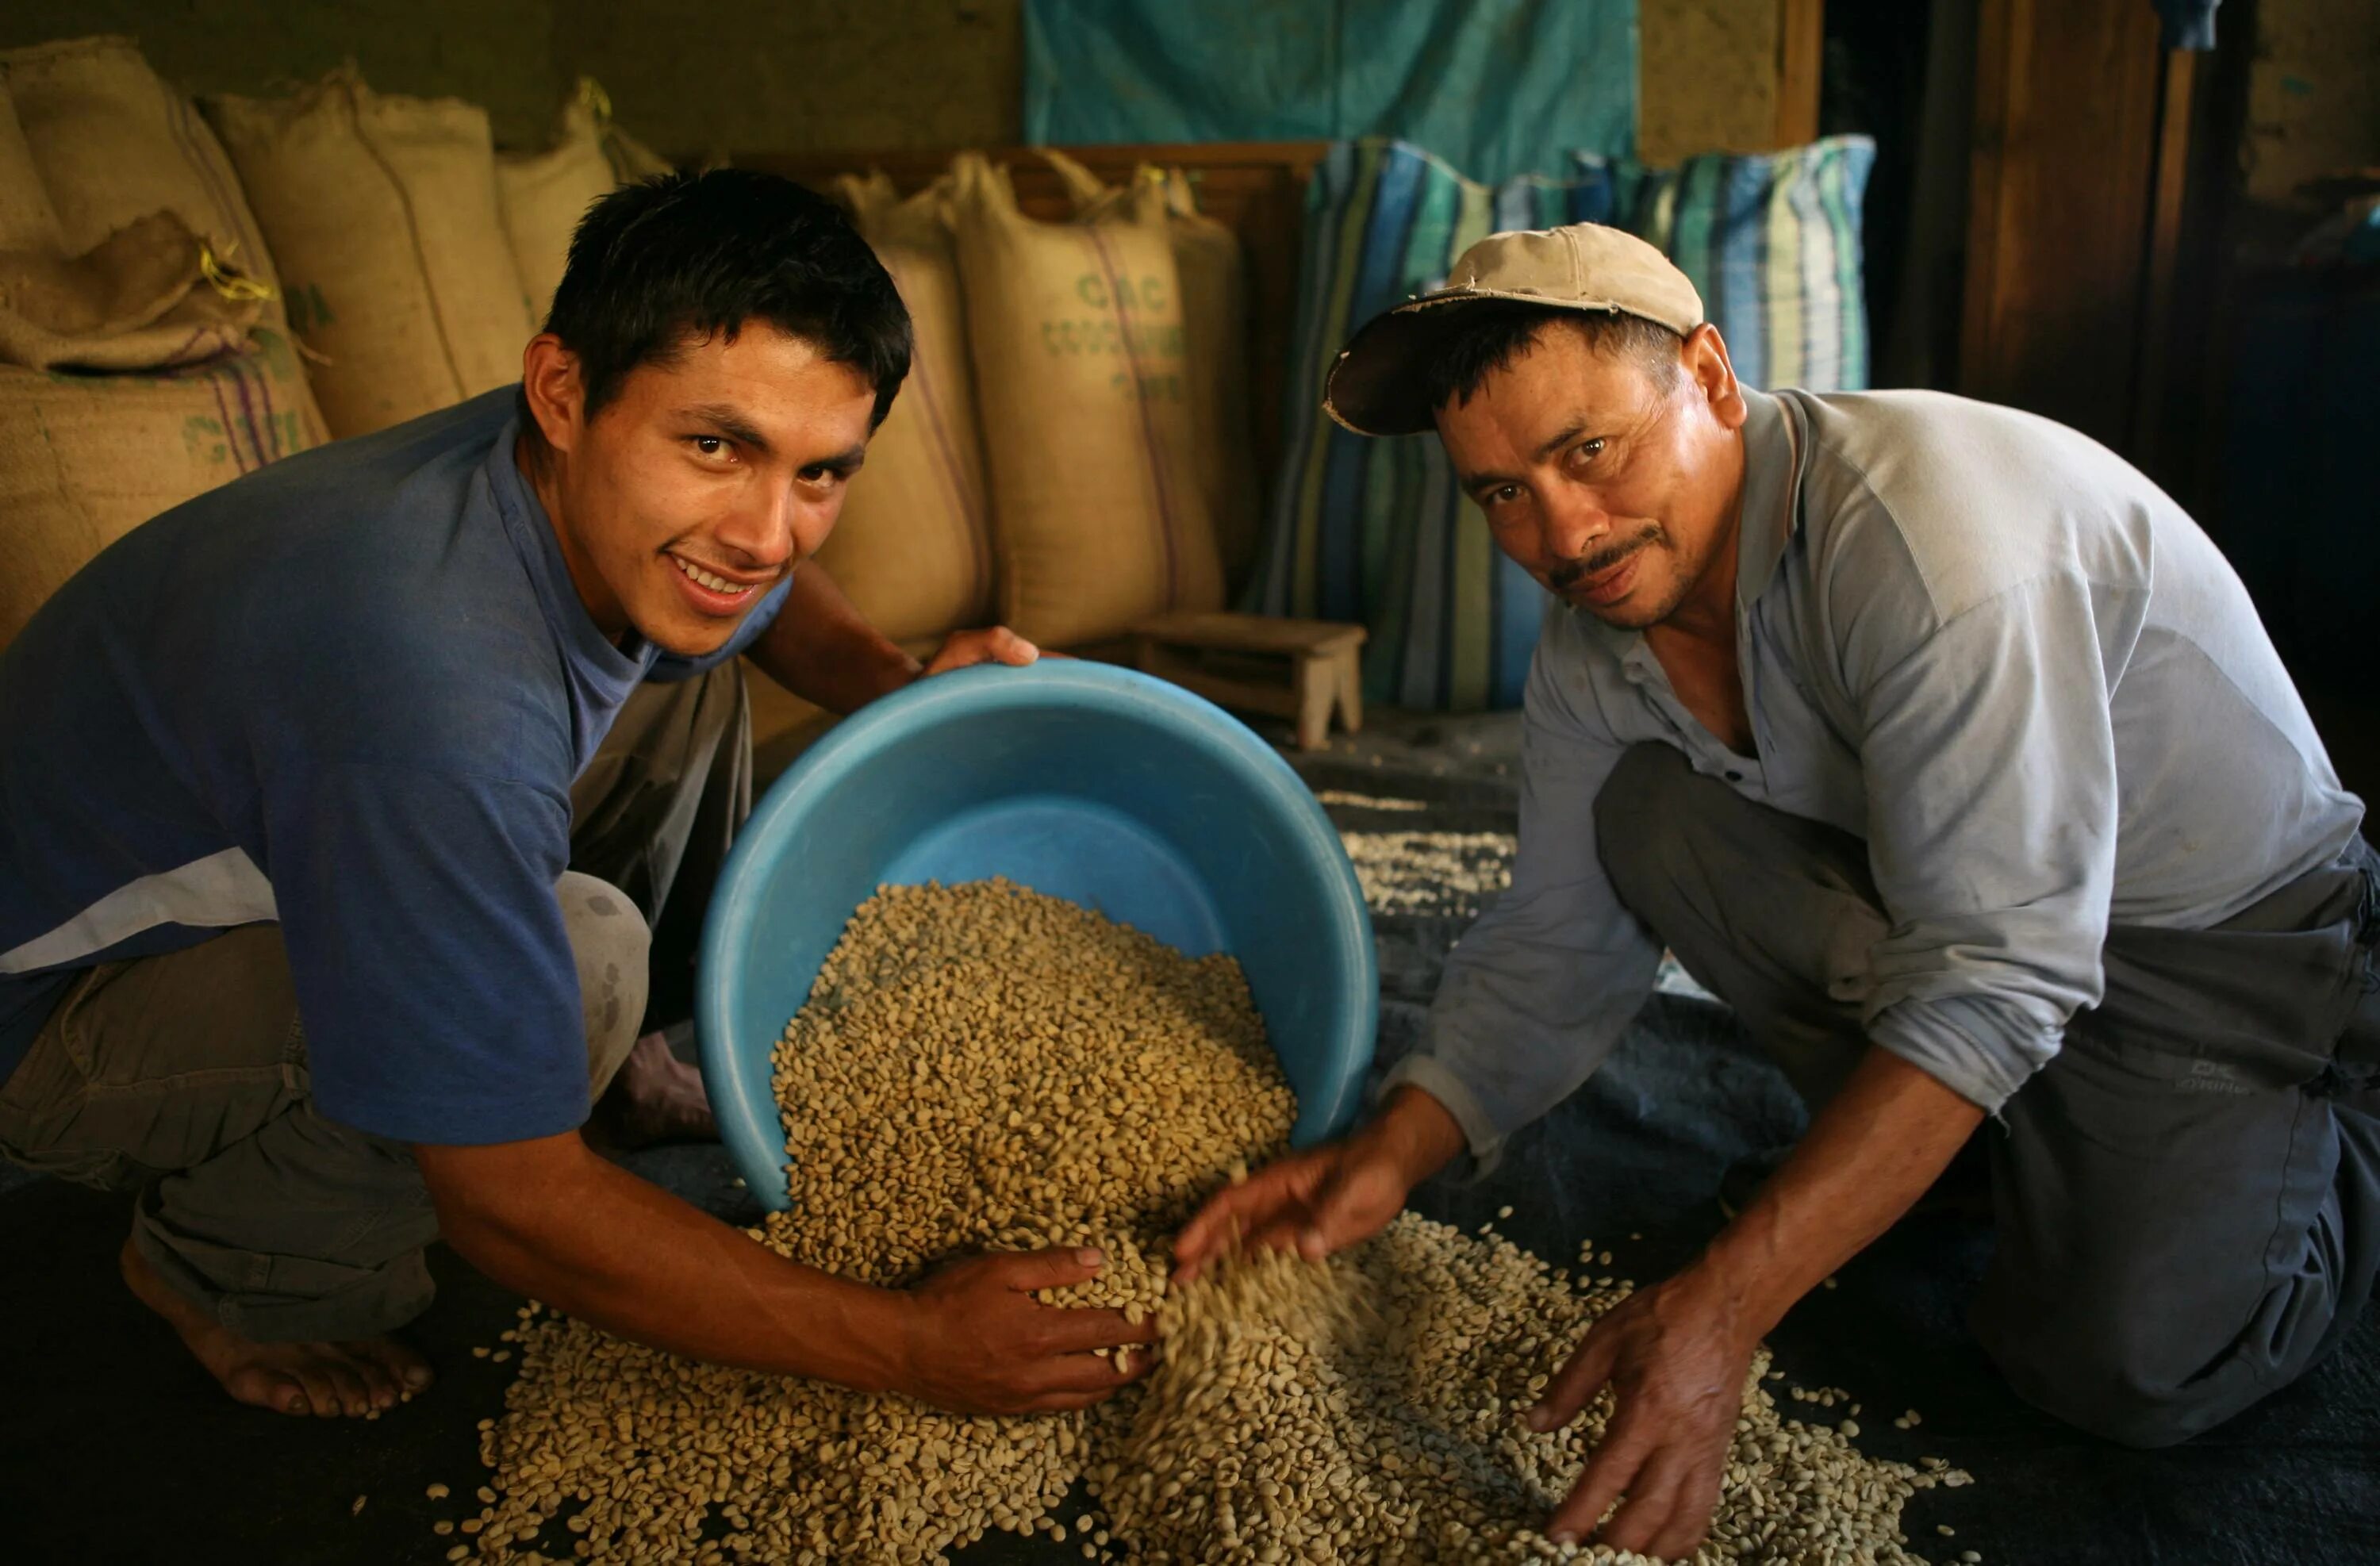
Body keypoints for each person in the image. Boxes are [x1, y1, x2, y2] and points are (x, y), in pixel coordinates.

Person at [1175, 223, 2379, 1558]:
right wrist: (1385, 1155)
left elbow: (2001, 970)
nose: (1563, 533)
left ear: (1711, 377)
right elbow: (1559, 937)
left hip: (2212, 936)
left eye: (1591, 450)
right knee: (1652, 812)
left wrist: (1722, 1308)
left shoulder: (1933, 546)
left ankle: (2339, 1119)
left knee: (2132, 1368)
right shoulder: (1601, 642)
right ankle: (1976, 1151)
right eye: (1502, 492)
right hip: (1980, 905)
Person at [0, 170, 1152, 1422]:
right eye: (718, 446)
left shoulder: (576, 476)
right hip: (49, 1019)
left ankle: (602, 1064)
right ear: (563, 391)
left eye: (821, 472)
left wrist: (895, 687)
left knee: (685, 653)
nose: (771, 531)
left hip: (286, 823)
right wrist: (914, 1346)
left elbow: (756, 581)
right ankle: (225, 1274)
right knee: (587, 953)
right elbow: (512, 1203)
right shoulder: (429, 681)